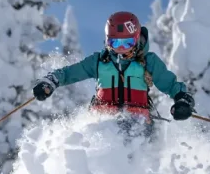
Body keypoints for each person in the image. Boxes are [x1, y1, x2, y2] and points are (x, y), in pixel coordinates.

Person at [32, 10, 195, 124]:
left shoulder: (147, 61)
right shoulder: (98, 61)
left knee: (135, 137)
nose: (122, 49)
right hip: (103, 122)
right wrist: (51, 81)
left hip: (138, 123)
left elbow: (170, 84)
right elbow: (70, 73)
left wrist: (182, 99)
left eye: (128, 43)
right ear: (108, 41)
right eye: (115, 43)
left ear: (137, 39)